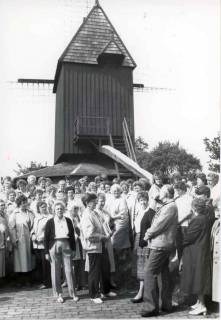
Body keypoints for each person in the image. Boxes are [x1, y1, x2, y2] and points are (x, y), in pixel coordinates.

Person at [141, 184, 178, 317]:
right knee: (163, 274)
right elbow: (154, 206)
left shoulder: (170, 207)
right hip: (163, 244)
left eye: (161, 191)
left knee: (149, 272)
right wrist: (156, 197)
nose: (159, 193)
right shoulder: (168, 205)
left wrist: (147, 234)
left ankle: (150, 307)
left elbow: (158, 225)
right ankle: (166, 304)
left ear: (167, 193)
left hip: (160, 245)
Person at [181, 198, 212, 315]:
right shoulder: (205, 218)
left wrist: (180, 239)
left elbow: (189, 237)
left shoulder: (198, 219)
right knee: (198, 277)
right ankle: (199, 302)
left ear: (194, 207)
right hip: (200, 250)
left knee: (198, 278)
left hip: (196, 251)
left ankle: (202, 305)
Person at [81, 193, 113, 304]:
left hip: (101, 245)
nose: (95, 202)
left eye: (95, 200)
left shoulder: (94, 212)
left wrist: (108, 231)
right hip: (93, 247)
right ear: (87, 203)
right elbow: (89, 235)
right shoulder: (86, 215)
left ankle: (105, 291)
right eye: (93, 201)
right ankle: (93, 295)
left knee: (105, 268)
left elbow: (102, 225)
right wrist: (103, 237)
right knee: (94, 271)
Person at [44, 201, 78, 303]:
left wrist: (73, 249)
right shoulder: (50, 222)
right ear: (54, 210)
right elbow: (45, 238)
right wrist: (46, 252)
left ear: (64, 210)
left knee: (69, 270)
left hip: (66, 244)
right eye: (57, 209)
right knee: (55, 270)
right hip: (54, 245)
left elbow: (72, 236)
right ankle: (58, 294)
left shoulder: (68, 220)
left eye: (61, 208)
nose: (59, 210)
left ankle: (73, 293)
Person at [131, 191, 155, 303]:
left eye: (144, 200)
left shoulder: (150, 212)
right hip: (138, 238)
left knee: (146, 264)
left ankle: (144, 292)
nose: (143, 202)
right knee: (140, 265)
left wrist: (145, 239)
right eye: (140, 200)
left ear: (148, 200)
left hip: (146, 240)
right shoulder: (138, 211)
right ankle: (141, 291)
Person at [108, 184, 131, 286]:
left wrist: (113, 217)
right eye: (114, 191)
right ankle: (113, 278)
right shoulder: (111, 199)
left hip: (120, 228)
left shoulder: (122, 200)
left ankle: (120, 279)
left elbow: (123, 215)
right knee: (113, 254)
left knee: (118, 253)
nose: (115, 193)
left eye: (117, 191)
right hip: (112, 226)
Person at [9, 195, 34, 283]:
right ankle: (20, 280)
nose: (24, 204)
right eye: (22, 203)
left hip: (29, 239)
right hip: (19, 239)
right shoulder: (15, 213)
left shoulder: (30, 213)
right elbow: (12, 228)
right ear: (19, 204)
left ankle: (28, 279)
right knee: (20, 260)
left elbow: (33, 226)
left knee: (28, 259)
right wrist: (14, 239)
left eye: (25, 202)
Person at [31, 201, 52, 289]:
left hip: (44, 244)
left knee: (46, 264)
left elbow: (50, 231)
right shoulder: (36, 218)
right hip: (36, 244)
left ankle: (47, 282)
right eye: (41, 207)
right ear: (38, 208)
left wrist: (41, 238)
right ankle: (41, 281)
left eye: (45, 206)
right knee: (39, 263)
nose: (43, 208)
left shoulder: (50, 217)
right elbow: (32, 229)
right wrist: (33, 235)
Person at [0, 200, 10, 279]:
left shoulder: (5, 216)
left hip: (3, 240)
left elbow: (6, 229)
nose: (2, 207)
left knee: (2, 262)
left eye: (3, 205)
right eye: (0, 205)